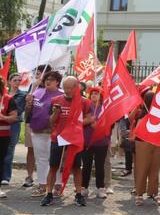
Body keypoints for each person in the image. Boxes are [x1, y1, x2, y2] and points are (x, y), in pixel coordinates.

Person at [41, 76, 90, 207]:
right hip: (58, 138)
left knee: (76, 167)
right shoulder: (55, 100)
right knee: (53, 166)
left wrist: (76, 124)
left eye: (70, 88)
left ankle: (78, 194)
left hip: (74, 139)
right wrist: (56, 113)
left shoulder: (84, 102)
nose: (67, 90)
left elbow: (90, 118)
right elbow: (51, 121)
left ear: (76, 87)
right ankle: (49, 194)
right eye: (65, 88)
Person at [26, 70, 64, 198]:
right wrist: (28, 103)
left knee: (55, 160)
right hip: (38, 131)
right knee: (41, 159)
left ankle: (58, 185)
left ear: (57, 82)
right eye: (46, 79)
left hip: (55, 133)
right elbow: (28, 112)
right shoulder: (37, 92)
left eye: (51, 79)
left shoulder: (62, 95)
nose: (48, 81)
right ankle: (42, 185)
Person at [130, 91, 160, 206]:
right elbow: (137, 130)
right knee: (142, 169)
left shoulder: (159, 113)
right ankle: (139, 194)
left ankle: (154, 192)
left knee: (155, 168)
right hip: (142, 144)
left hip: (156, 143)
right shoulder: (141, 114)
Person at [81, 87, 110, 199]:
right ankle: (84, 187)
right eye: (92, 93)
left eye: (96, 93)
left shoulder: (105, 108)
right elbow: (79, 122)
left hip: (101, 141)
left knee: (100, 166)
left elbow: (108, 123)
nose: (93, 95)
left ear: (101, 96)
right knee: (86, 165)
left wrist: (97, 126)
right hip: (87, 141)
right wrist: (89, 121)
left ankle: (101, 188)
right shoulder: (85, 107)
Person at [2, 73, 24, 186]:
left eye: (19, 80)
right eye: (15, 80)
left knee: (9, 149)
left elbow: (18, 110)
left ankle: (6, 176)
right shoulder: (3, 94)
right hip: (2, 124)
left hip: (14, 124)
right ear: (10, 81)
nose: (17, 82)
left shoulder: (22, 95)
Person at [0, 77, 19, 197]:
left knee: (0, 161)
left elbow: (14, 117)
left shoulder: (8, 99)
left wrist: (3, 118)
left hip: (2, 136)